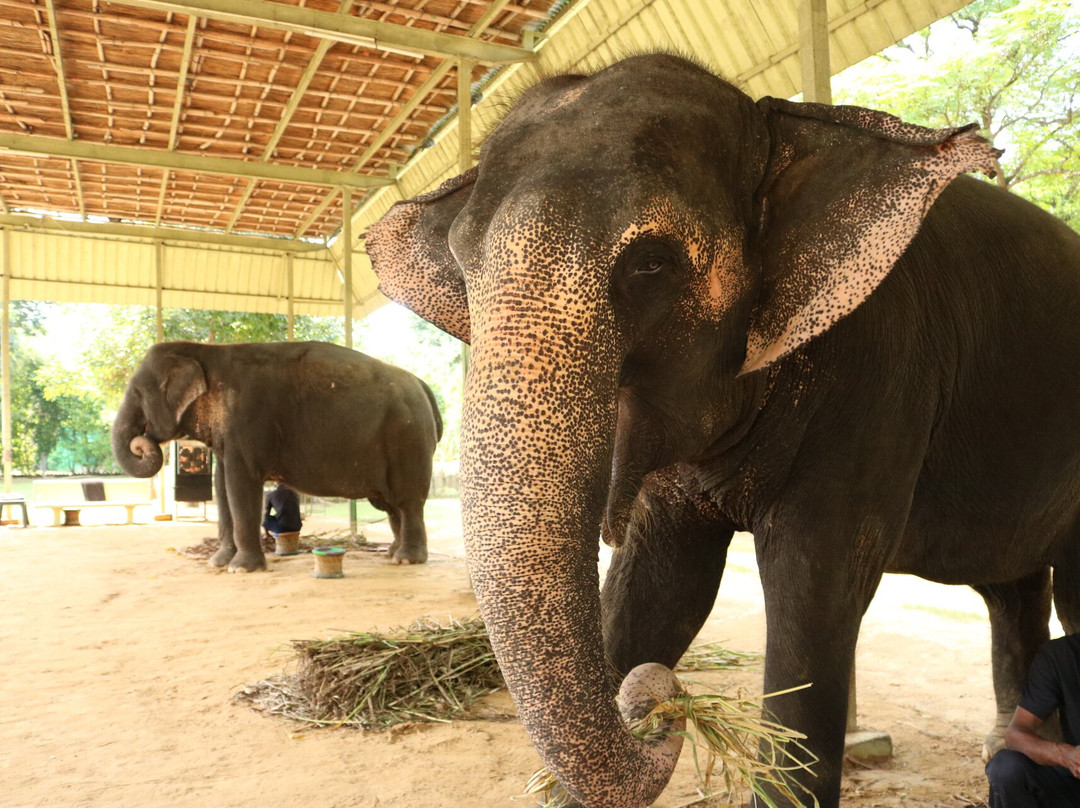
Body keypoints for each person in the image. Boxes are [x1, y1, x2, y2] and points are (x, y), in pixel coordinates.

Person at [986, 633, 1080, 807]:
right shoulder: (1060, 655)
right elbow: (1015, 734)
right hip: (1074, 788)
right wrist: (1067, 755)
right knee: (1007, 768)